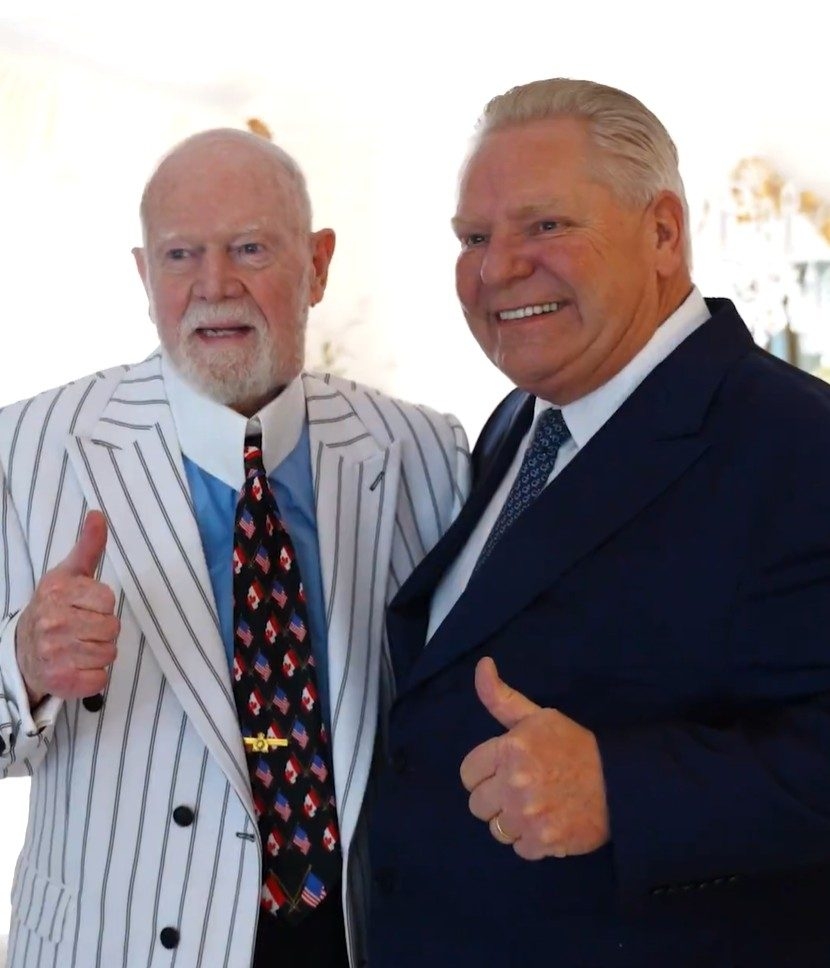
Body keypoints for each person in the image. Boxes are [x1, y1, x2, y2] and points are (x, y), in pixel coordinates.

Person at [368, 78, 830, 967]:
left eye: (545, 226)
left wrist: (623, 790)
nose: (498, 267)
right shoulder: (518, 422)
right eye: (473, 237)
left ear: (662, 231)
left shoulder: (798, 443)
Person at [0, 128, 469, 968]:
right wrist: (24, 664)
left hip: (362, 941)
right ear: (145, 277)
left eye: (250, 248)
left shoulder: (421, 452)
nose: (214, 286)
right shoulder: (27, 448)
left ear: (318, 265)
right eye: (180, 255)